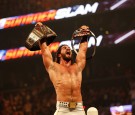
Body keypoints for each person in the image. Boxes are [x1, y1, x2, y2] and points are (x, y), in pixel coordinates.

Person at [39, 25, 89, 115]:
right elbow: (44, 50)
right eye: (64, 48)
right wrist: (40, 30)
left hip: (78, 108)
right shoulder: (53, 67)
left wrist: (85, 34)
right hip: (63, 110)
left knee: (92, 111)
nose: (68, 48)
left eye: (69, 48)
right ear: (58, 54)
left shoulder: (77, 67)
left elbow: (83, 50)